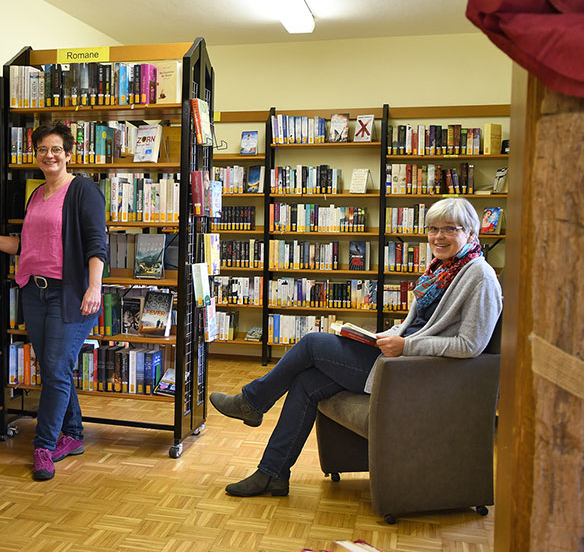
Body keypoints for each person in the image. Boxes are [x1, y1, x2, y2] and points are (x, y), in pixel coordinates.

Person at [210, 197, 502, 497]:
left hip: (415, 374)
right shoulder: (442, 270)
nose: (438, 237)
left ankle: (252, 402)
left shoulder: (480, 276)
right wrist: (379, 337)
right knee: (306, 382)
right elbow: (417, 325)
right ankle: (272, 474)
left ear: (470, 233)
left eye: (449, 229)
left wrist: (406, 346)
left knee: (312, 343)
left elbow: (470, 345)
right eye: (432, 228)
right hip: (399, 360)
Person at [0, 122, 106, 481]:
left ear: (69, 154)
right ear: (36, 155)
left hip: (70, 292)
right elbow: (24, 247)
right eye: (42, 149)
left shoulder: (83, 191)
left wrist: (94, 287)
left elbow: (96, 243)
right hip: (34, 291)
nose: (49, 155)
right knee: (54, 369)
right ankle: (72, 434)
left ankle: (44, 446)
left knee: (57, 369)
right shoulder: (36, 195)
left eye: (56, 149)